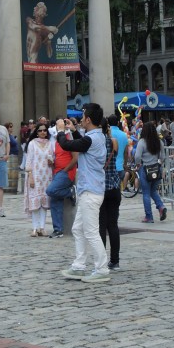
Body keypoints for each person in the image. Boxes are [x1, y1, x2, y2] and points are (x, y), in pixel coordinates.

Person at [55, 102, 110, 282]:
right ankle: (79, 266)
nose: (80, 119)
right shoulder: (97, 135)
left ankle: (101, 269)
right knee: (78, 229)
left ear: (88, 119)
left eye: (83, 116)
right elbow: (82, 143)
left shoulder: (91, 139)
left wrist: (61, 131)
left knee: (91, 232)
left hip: (91, 191)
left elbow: (68, 145)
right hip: (90, 190)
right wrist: (74, 131)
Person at [46, 118, 77, 238]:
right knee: (54, 199)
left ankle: (71, 192)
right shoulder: (56, 140)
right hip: (58, 171)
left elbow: (75, 158)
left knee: (51, 191)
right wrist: (52, 163)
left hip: (65, 172)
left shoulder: (69, 138)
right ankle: (58, 229)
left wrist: (65, 169)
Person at [23, 123, 54, 236]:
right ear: (36, 132)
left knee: (44, 203)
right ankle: (35, 227)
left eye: (45, 130)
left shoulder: (50, 144)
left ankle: (42, 226)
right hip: (35, 175)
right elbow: (29, 160)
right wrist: (30, 176)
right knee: (35, 202)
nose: (42, 132)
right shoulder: (32, 144)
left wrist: (52, 161)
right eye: (40, 130)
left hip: (46, 176)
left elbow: (53, 159)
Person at [98, 121, 121, 271]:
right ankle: (115, 260)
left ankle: (102, 260)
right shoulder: (114, 142)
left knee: (101, 226)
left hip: (101, 187)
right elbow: (117, 155)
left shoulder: (95, 144)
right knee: (113, 225)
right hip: (114, 185)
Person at [134, 121, 166, 223]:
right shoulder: (159, 142)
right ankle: (161, 207)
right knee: (153, 190)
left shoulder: (142, 142)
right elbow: (163, 157)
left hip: (145, 169)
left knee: (146, 193)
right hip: (157, 168)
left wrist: (138, 164)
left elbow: (137, 156)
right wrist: (159, 163)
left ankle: (149, 216)